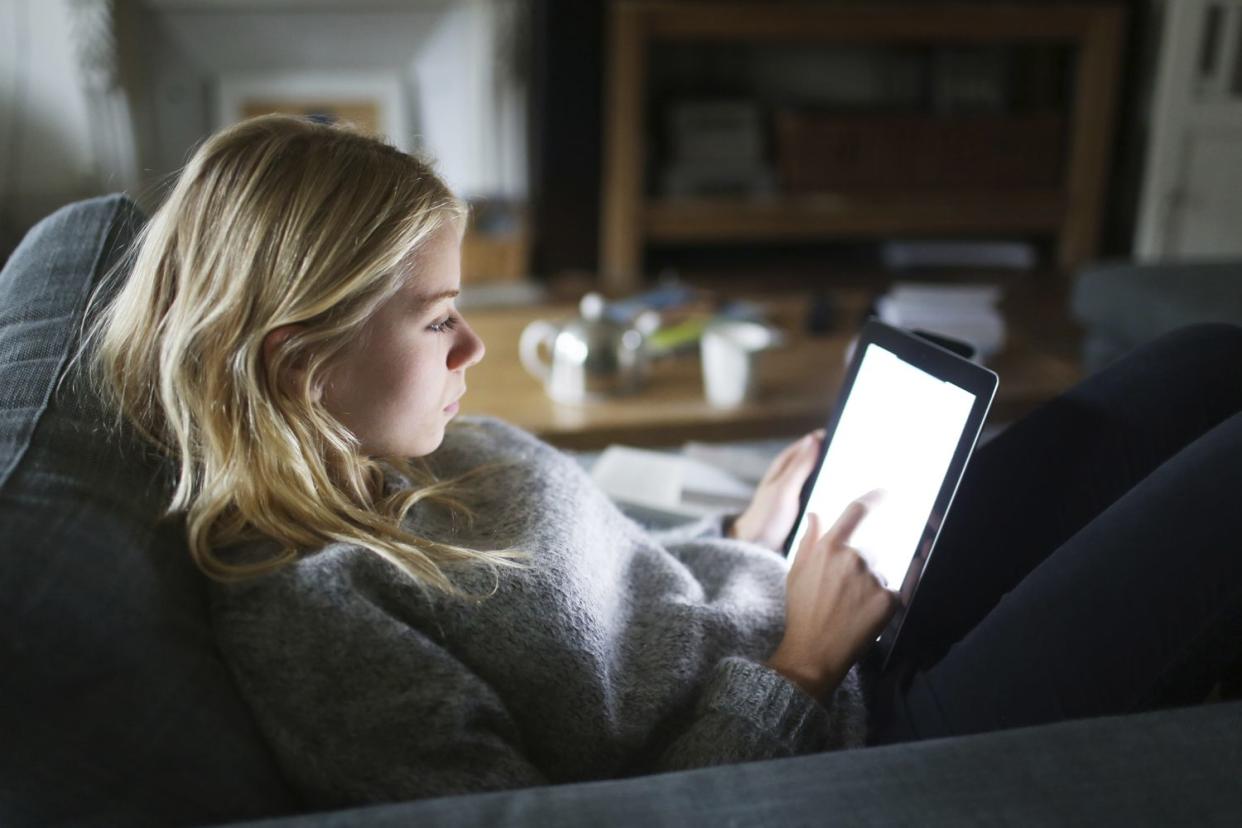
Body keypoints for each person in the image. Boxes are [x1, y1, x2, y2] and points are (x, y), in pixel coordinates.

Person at [80, 115, 1242, 809]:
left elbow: (619, 602)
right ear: (300, 366)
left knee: (1199, 363)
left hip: (804, 615)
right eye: (439, 322)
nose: (477, 348)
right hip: (853, 737)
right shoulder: (318, 623)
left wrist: (746, 539)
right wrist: (799, 667)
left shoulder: (419, 449)